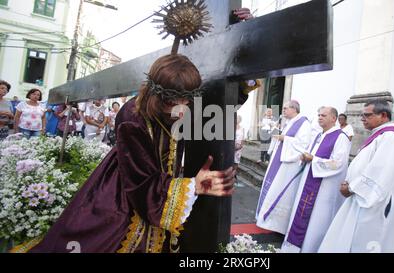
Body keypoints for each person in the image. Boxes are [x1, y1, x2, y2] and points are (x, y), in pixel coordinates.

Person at [20, 54, 236, 253]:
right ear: (156, 93)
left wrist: (240, 85)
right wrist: (192, 186)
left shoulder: (181, 103)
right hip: (127, 185)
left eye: (186, 100)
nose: (181, 108)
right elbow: (141, 181)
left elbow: (212, 105)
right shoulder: (132, 117)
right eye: (172, 101)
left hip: (160, 182)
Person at [319, 99, 394, 253]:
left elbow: (381, 173)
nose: (362, 118)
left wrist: (351, 187)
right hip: (361, 197)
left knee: (363, 242)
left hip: (373, 204)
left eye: (367, 115)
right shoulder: (381, 135)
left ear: (383, 115)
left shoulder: (392, 139)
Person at [281, 107, 351, 253]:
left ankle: (311, 248)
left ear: (334, 118)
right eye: (319, 115)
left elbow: (339, 163)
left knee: (317, 220)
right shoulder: (319, 135)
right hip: (308, 181)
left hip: (324, 188)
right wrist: (305, 158)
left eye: (324, 115)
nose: (320, 117)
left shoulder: (341, 137)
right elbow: (311, 155)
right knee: (302, 213)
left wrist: (313, 159)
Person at [256, 100, 312, 234]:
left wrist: (284, 139)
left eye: (286, 108)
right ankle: (267, 220)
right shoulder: (290, 122)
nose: (283, 111)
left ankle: (277, 224)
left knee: (281, 191)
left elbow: (303, 144)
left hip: (289, 165)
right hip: (279, 161)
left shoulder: (303, 123)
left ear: (294, 109)